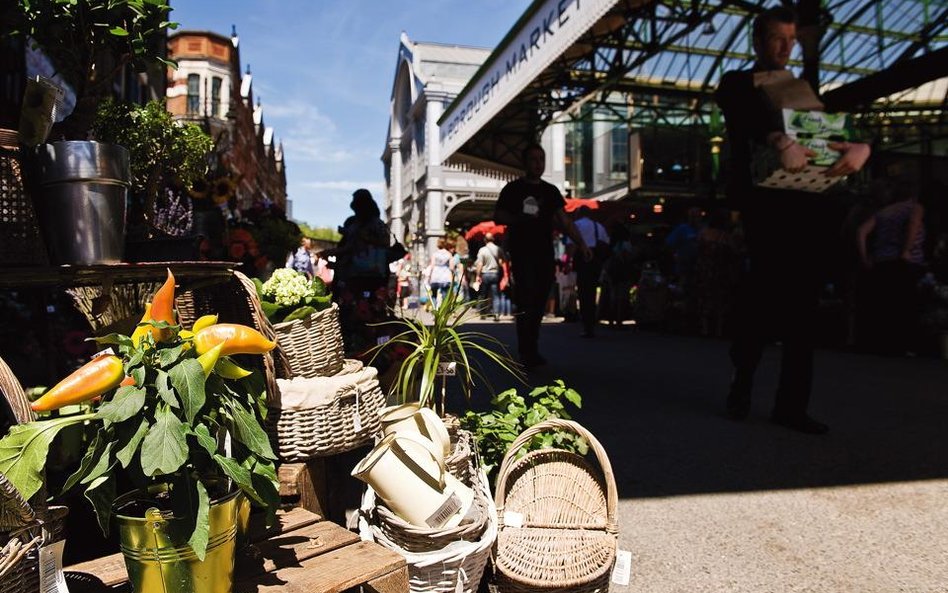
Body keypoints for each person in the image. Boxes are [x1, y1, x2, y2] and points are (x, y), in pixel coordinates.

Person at [715, 6, 870, 434]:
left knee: (804, 307)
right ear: (757, 42)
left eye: (791, 40)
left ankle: (792, 406)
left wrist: (860, 148)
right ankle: (742, 380)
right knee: (762, 300)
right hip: (766, 208)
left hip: (810, 208)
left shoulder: (805, 88)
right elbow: (740, 114)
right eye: (776, 39)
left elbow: (829, 133)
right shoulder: (737, 83)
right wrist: (777, 137)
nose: (785, 48)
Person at [494, 142, 591, 368]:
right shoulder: (513, 189)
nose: (538, 164)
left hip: (544, 253)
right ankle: (526, 350)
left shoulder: (550, 191)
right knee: (526, 298)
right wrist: (520, 218)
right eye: (533, 159)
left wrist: (582, 244)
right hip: (522, 252)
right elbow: (498, 216)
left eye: (541, 159)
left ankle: (531, 347)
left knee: (538, 300)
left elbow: (565, 220)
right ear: (524, 163)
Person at [318, 189, 393, 362]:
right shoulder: (375, 224)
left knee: (360, 313)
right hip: (373, 276)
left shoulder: (362, 225)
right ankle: (376, 349)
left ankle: (363, 349)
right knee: (371, 312)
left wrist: (334, 252)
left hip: (359, 277)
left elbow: (352, 249)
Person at [855, 177, 925, 354]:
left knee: (885, 303)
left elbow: (861, 231)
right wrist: (906, 250)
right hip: (904, 261)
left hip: (881, 259)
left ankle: (882, 343)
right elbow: (913, 224)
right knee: (905, 304)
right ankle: (903, 345)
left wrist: (865, 257)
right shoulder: (914, 208)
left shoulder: (884, 211)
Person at [571, 206, 609, 337]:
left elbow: (571, 244)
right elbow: (606, 243)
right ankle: (591, 322)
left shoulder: (576, 225)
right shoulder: (599, 226)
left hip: (582, 260)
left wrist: (568, 261)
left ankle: (586, 323)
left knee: (583, 292)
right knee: (591, 292)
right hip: (595, 262)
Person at [474, 232, 505, 320]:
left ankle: (483, 313)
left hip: (485, 274)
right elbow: (502, 261)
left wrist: (477, 275)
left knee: (483, 294)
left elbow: (480, 264)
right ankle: (496, 314)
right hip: (495, 273)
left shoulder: (482, 250)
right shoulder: (498, 249)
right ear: (493, 239)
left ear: (485, 240)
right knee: (495, 295)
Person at [427, 237, 456, 309]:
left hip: (435, 277)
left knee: (434, 295)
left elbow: (432, 266)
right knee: (445, 295)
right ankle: (442, 311)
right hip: (445, 277)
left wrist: (429, 276)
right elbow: (452, 267)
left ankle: (434, 310)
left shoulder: (435, 254)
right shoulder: (449, 254)